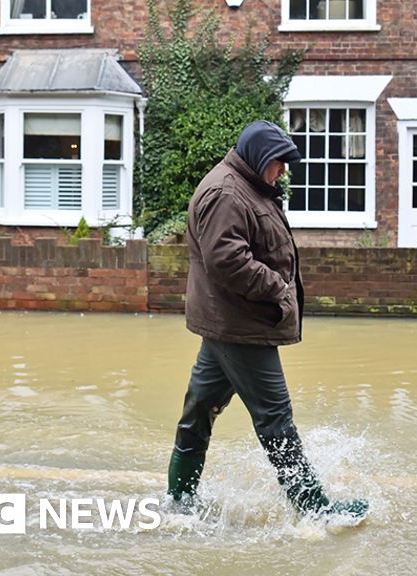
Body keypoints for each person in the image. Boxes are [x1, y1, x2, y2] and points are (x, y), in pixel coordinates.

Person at [166, 120, 368, 522]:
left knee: (198, 412)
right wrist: (278, 288)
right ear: (259, 158)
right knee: (276, 419)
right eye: (279, 163)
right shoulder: (226, 193)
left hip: (229, 323)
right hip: (241, 327)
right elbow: (227, 261)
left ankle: (179, 503)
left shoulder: (247, 187)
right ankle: (315, 510)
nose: (284, 172)